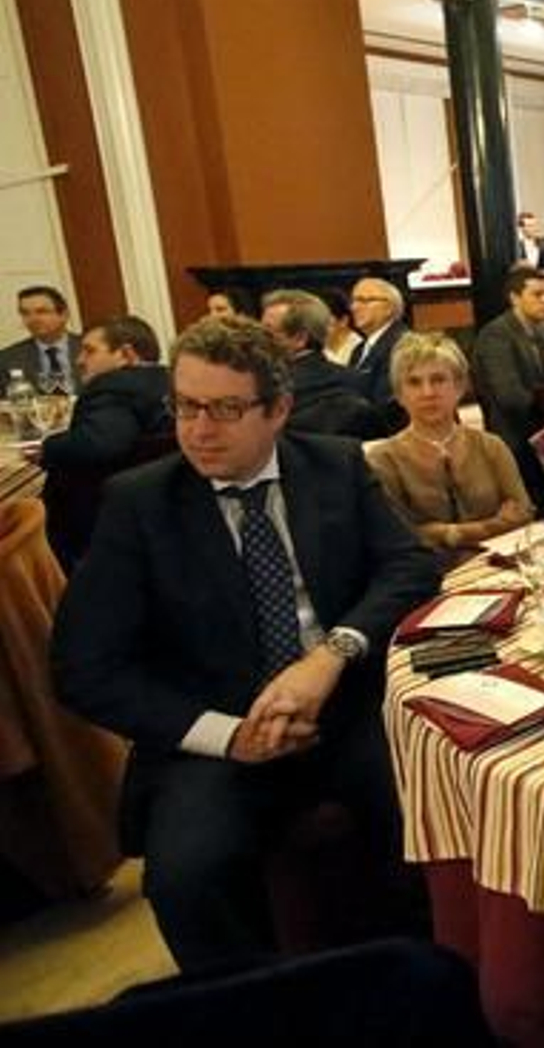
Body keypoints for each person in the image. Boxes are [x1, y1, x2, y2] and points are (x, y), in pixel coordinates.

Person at [50, 315, 439, 970]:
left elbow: (410, 565)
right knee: (185, 876)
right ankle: (254, 1010)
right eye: (186, 406)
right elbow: (82, 666)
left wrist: (332, 653)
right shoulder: (138, 504)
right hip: (213, 733)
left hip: (343, 708)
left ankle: (415, 984)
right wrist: (226, 734)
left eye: (227, 409)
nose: (200, 429)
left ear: (278, 408)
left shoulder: (334, 466)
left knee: (431, 817)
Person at [368, 333, 532, 555]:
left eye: (438, 380)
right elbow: (401, 537)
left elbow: (522, 514)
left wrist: (443, 532)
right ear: (399, 394)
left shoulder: (490, 445)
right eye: (414, 382)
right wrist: (490, 526)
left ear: (460, 386)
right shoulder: (383, 459)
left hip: (501, 566)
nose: (428, 393)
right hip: (429, 576)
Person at [471, 267, 544, 516]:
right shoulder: (496, 335)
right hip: (515, 437)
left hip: (543, 430)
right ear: (515, 298)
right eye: (537, 294)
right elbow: (510, 397)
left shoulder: (542, 334)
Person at [39, 315, 171, 470]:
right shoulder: (168, 379)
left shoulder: (114, 388)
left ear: (126, 354)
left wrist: (46, 447)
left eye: (90, 351)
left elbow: (98, 445)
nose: (79, 361)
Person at [259, 290, 384, 441]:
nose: (258, 341)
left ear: (300, 338)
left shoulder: (267, 388)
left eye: (267, 334)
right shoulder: (358, 380)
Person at [347, 277, 407, 421]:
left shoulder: (402, 345)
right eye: (353, 300)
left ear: (388, 308)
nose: (353, 307)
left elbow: (387, 406)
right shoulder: (359, 349)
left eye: (363, 300)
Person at [4, 285, 81, 394]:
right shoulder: (8, 358)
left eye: (42, 311)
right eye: (25, 313)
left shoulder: (90, 348)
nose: (33, 319)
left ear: (64, 314)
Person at [317, 288, 360, 366]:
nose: (319, 329)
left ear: (343, 321)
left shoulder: (360, 349)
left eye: (326, 323)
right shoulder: (315, 346)